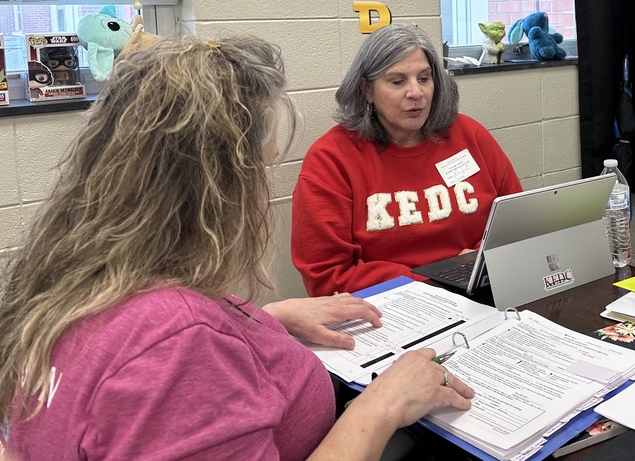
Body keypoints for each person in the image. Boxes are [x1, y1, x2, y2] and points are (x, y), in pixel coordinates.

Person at [0, 36, 473, 461]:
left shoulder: (72, 279)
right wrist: (384, 404)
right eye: (259, 172)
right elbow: (167, 356)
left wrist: (271, 318)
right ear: (211, 189)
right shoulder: (174, 343)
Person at [292, 24, 522, 295]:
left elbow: (517, 222)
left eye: (424, 78)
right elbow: (327, 278)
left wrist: (482, 261)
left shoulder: (470, 135)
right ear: (367, 90)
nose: (416, 93)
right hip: (390, 308)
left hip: (479, 291)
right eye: (398, 81)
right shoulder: (331, 159)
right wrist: (436, 280)